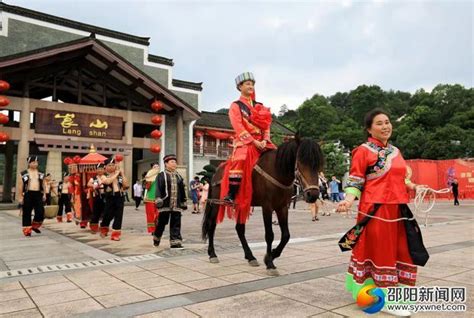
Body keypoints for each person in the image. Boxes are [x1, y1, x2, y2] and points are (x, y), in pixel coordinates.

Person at [336, 109, 430, 317]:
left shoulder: (396, 151)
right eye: (379, 123)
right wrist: (349, 199)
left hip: (399, 208)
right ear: (369, 129)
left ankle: (399, 295)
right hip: (376, 210)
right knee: (382, 252)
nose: (385, 126)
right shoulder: (363, 150)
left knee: (402, 250)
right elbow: (356, 179)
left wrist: (415, 186)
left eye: (387, 122)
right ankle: (383, 299)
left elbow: (401, 179)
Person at [219, 72, 276, 224]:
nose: (251, 86)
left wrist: (265, 139)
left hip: (262, 142)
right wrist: (252, 141)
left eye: (252, 84)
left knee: (279, 157)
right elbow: (237, 125)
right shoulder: (235, 106)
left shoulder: (260, 106)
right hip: (245, 142)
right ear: (239, 87)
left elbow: (266, 125)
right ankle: (232, 194)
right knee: (239, 161)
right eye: (247, 84)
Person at [153, 154, 187, 248]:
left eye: (175, 162)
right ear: (166, 164)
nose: (174, 164)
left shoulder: (178, 176)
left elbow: (182, 190)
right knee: (162, 223)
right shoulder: (161, 175)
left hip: (176, 203)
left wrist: (183, 201)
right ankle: (156, 237)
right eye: (172, 162)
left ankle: (175, 242)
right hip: (165, 203)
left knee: (176, 222)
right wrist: (158, 198)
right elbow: (158, 188)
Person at [99, 157, 129, 241]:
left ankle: (116, 234)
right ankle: (104, 227)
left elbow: (126, 185)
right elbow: (108, 182)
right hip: (110, 198)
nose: (111, 167)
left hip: (119, 197)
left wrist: (122, 174)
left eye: (113, 165)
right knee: (108, 215)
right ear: (105, 167)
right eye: (109, 165)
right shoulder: (103, 176)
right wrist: (116, 174)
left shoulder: (119, 175)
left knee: (119, 216)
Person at [17, 156, 46, 237]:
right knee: (27, 212)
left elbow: (43, 184)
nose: (35, 164)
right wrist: (20, 197)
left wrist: (44, 194)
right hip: (28, 194)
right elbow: (20, 185)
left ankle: (34, 225)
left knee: (40, 211)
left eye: (36, 162)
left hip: (38, 194)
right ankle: (27, 230)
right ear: (29, 163)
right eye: (33, 162)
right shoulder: (23, 173)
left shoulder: (41, 173)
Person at [87, 163, 106, 233]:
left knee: (106, 212)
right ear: (96, 170)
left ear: (104, 170)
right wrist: (93, 185)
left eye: (101, 169)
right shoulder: (94, 178)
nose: (100, 170)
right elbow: (88, 184)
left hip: (106, 196)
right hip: (97, 197)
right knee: (96, 212)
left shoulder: (106, 177)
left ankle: (104, 227)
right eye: (99, 169)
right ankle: (94, 227)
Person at [144, 162, 160, 234]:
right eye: (154, 167)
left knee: (158, 214)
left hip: (159, 198)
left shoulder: (161, 176)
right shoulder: (149, 176)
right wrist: (148, 180)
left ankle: (157, 227)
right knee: (150, 215)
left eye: (157, 167)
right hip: (150, 198)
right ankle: (152, 230)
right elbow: (147, 188)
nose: (156, 168)